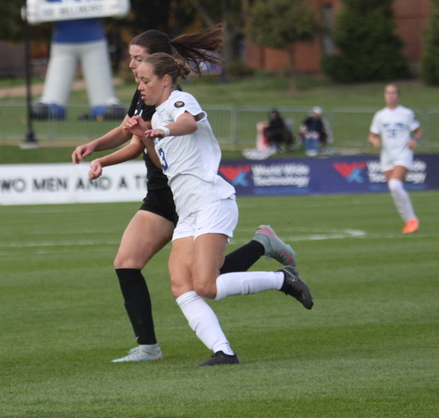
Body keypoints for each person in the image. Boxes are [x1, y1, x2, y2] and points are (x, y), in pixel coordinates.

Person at [72, 28, 297, 363]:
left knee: (204, 280)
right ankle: (155, 347)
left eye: (138, 59)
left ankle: (266, 258)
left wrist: (154, 132)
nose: (132, 66)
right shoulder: (145, 95)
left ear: (159, 69)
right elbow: (135, 139)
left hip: (191, 196)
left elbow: (177, 126)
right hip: (166, 194)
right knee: (140, 267)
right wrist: (99, 152)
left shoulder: (174, 99)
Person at [124, 53, 313, 367]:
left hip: (212, 202)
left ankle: (283, 279)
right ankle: (224, 352)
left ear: (166, 80)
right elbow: (163, 165)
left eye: (145, 80)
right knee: (180, 285)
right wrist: (146, 136)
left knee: (206, 286)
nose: (139, 87)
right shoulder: (156, 117)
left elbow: (187, 123)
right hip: (188, 211)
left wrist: (164, 132)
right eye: (138, 81)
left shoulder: (180, 101)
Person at [368, 84, 422, 234]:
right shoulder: (380, 116)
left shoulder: (406, 113)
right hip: (386, 156)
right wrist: (374, 141)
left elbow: (418, 131)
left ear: (398, 95)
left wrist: (414, 140)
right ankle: (408, 222)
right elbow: (372, 135)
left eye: (393, 93)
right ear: (385, 96)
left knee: (395, 185)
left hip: (403, 153)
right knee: (394, 189)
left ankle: (412, 220)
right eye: (388, 93)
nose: (391, 95)